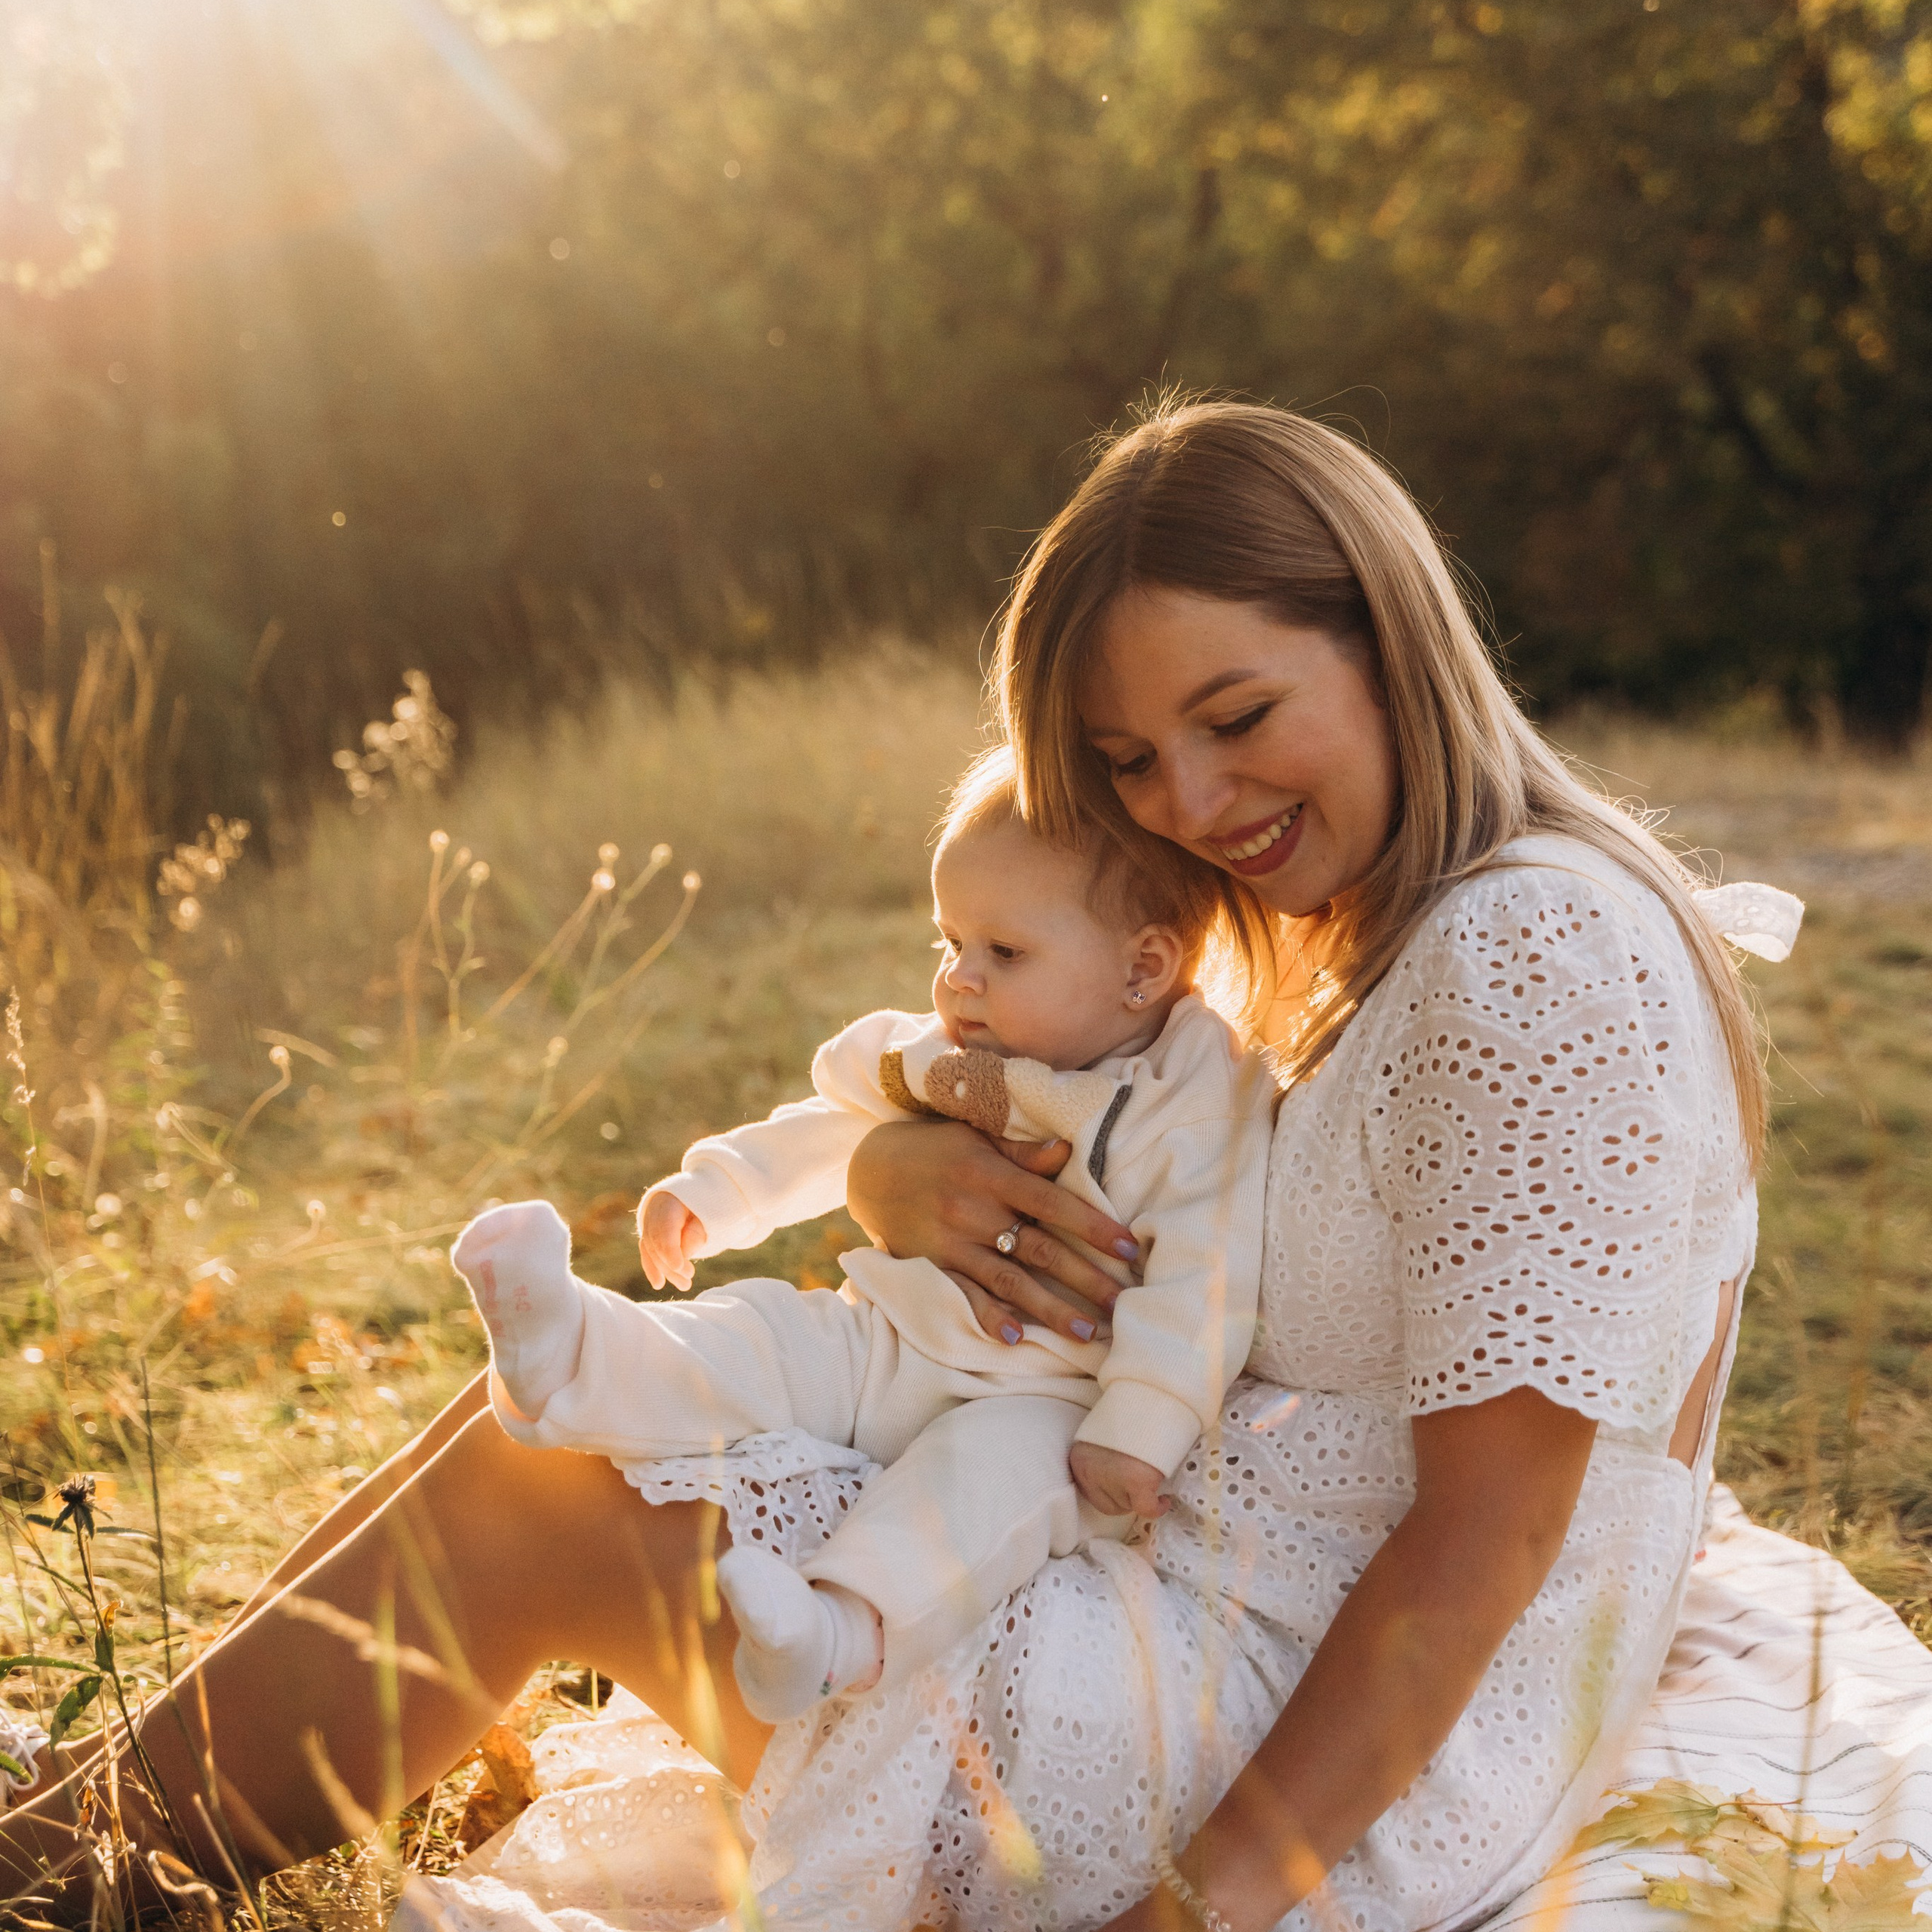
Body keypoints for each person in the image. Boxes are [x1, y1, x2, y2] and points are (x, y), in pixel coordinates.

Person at [0, 398, 1802, 1932]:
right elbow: (1108, 1146)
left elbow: (1491, 1538)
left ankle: (56, 1869)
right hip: (1180, 1576)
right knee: (537, 1420)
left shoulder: (1529, 954)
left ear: (1386, 638)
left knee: (541, 1496)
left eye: (1238, 715)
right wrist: (892, 1170)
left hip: (1295, 1743)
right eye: (1127, 758)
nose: (1187, 803)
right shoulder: (1366, 919)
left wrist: (1192, 1913)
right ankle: (87, 1809)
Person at [447, 744, 1275, 1725]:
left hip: (1046, 1398)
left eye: (1003, 954)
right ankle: (573, 1353)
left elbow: (1205, 1277)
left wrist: (1138, 1428)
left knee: (984, 1495)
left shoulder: (1192, 1096)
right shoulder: (942, 1055)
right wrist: (715, 1190)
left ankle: (830, 1633)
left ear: (1143, 968)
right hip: (883, 1339)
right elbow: (833, 1124)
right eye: (949, 943)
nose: (959, 981)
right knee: (762, 1336)